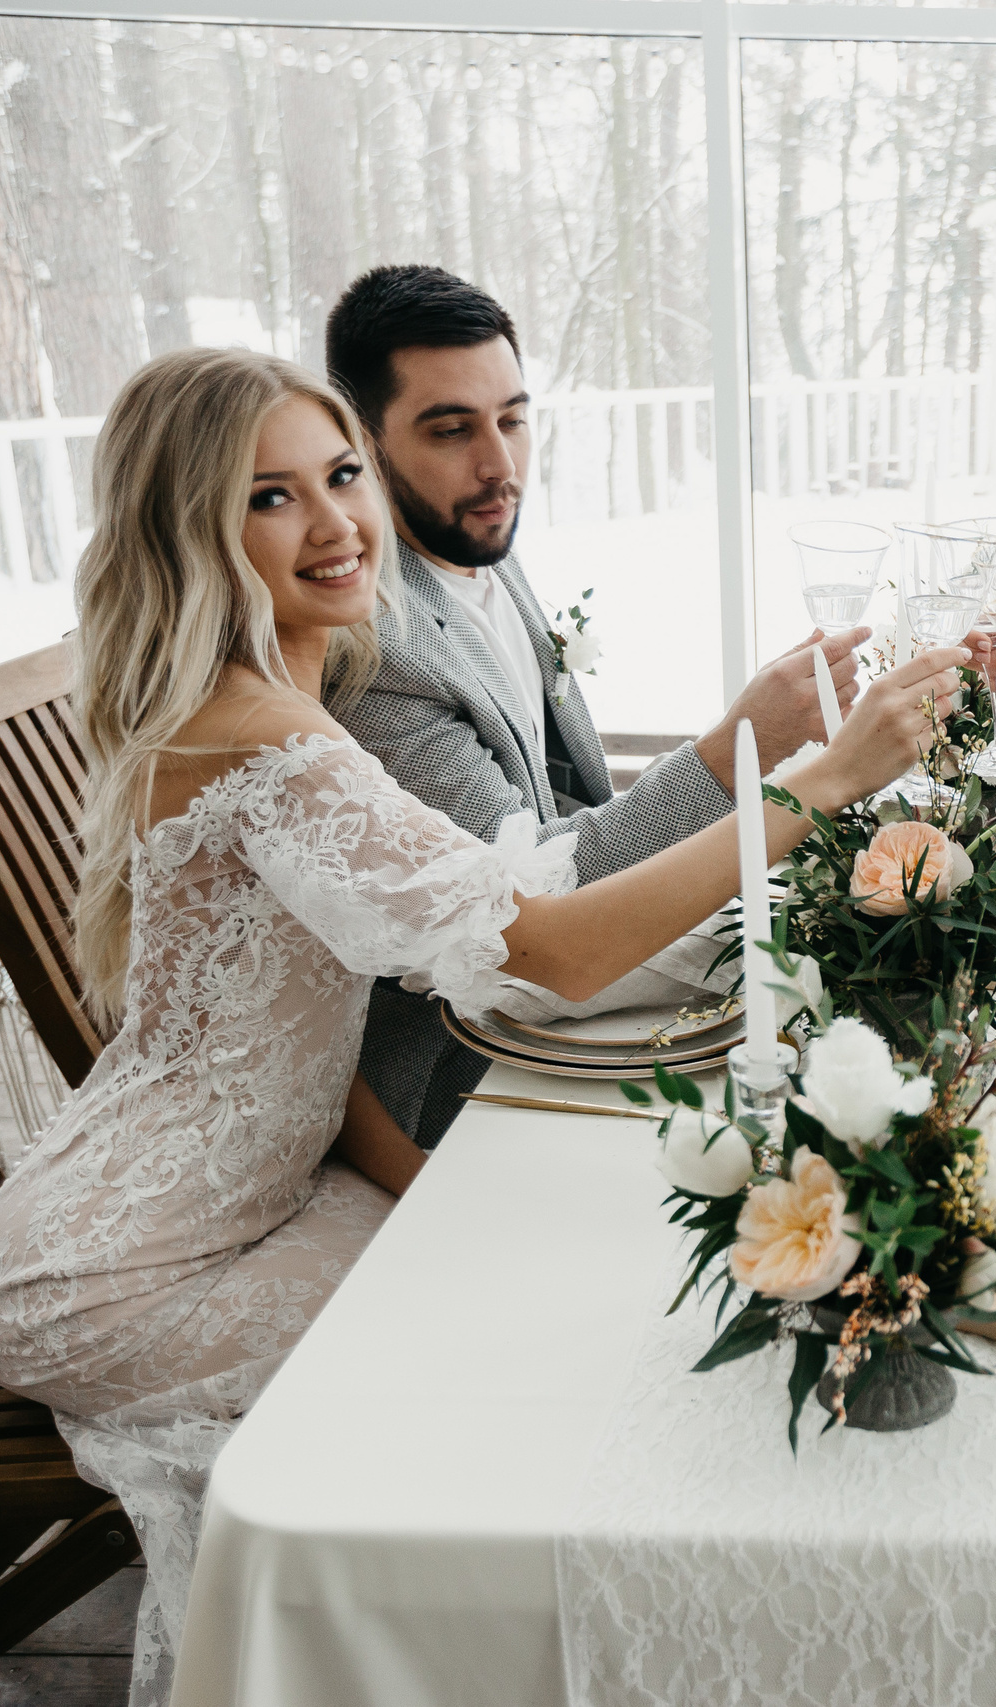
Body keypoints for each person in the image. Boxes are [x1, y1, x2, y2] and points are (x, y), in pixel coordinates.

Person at [0, 348, 961, 1706]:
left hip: (236, 1197)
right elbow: (552, 948)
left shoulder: (277, 700)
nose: (335, 523)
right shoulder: (268, 739)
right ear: (189, 530)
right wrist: (820, 782)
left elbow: (326, 1022)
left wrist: (415, 1180)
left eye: (340, 475)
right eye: (269, 497)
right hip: (96, 1274)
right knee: (530, 1338)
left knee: (541, 1251)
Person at [323, 264, 862, 1146]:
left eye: (512, 418)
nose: (500, 465)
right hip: (463, 1067)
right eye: (452, 430)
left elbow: (563, 797)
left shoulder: (478, 544)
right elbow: (529, 904)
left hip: (561, 998)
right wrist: (732, 751)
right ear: (361, 442)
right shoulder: (376, 655)